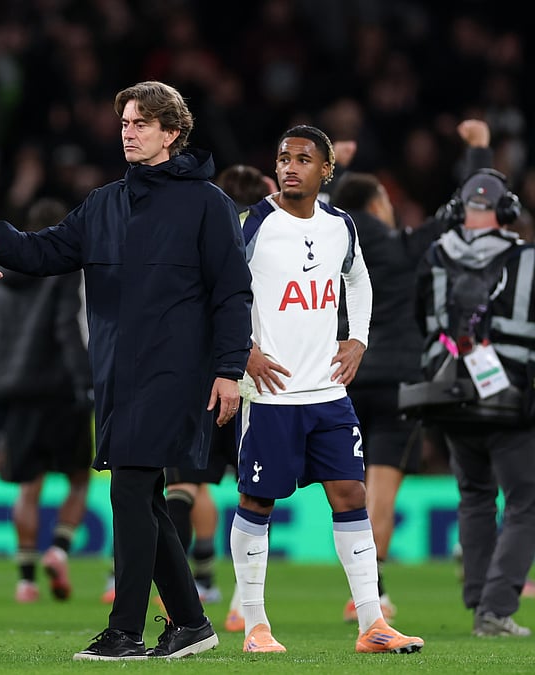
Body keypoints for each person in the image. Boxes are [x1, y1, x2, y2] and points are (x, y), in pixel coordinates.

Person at [0, 80, 249, 661]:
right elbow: (39, 253)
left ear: (172, 133)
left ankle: (124, 630)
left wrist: (228, 368)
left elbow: (232, 294)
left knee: (131, 488)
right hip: (117, 374)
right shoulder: (103, 204)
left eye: (142, 123)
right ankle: (191, 624)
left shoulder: (208, 205)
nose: (129, 132)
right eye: (124, 122)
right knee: (145, 494)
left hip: (178, 373)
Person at [230, 124, 423, 654]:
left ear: (326, 171)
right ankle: (255, 626)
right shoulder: (251, 223)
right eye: (284, 157)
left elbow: (358, 280)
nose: (290, 166)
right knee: (257, 500)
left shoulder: (342, 225)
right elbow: (217, 290)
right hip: (270, 393)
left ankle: (371, 625)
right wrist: (241, 350)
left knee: (351, 493)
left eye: (303, 158)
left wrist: (357, 339)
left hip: (327, 392)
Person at [410, 166, 535, 638]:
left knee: (475, 496)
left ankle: (480, 600)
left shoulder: (435, 255)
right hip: (510, 398)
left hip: (449, 396)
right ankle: (496, 609)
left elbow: (420, 319)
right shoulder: (527, 260)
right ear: (508, 212)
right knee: (525, 502)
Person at [157, 163, 278, 633]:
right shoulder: (270, 237)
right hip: (257, 382)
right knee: (254, 498)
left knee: (185, 488)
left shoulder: (200, 233)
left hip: (202, 377)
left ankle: (175, 600)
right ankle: (240, 604)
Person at [329, 169, 439, 624]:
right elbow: (462, 210)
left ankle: (365, 591)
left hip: (342, 377)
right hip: (398, 383)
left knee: (347, 487)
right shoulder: (404, 247)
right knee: (381, 491)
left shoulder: (330, 245)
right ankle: (372, 594)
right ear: (377, 205)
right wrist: (476, 149)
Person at [0, 197, 93, 604]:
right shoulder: (61, 269)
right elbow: (67, 326)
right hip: (61, 388)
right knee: (79, 478)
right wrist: (85, 381)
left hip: (16, 389)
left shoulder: (2, 273)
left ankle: (25, 581)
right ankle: (58, 549)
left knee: (29, 485)